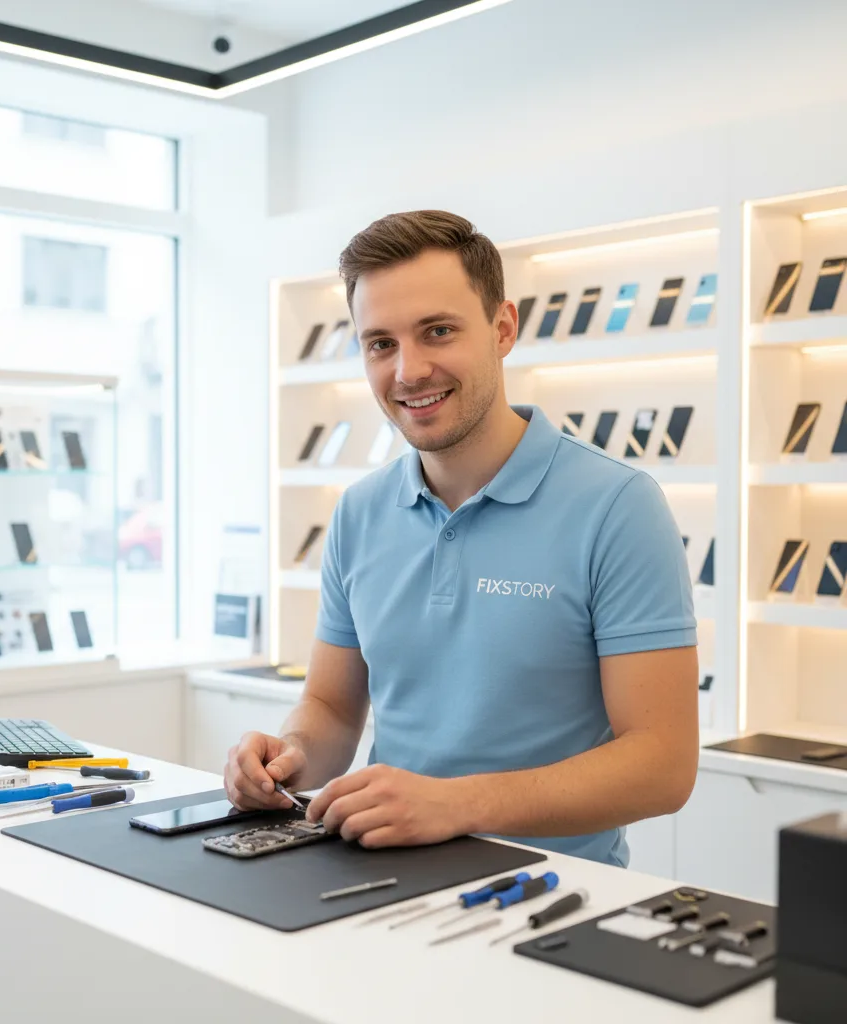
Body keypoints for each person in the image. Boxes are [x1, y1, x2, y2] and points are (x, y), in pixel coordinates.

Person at [225, 210, 698, 865]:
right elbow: (331, 708)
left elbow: (663, 765)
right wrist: (288, 757)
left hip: (551, 892)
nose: (409, 370)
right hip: (377, 875)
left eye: (438, 332)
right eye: (380, 343)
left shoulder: (619, 506)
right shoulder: (358, 513)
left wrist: (458, 804)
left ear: (503, 329)